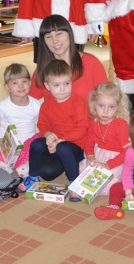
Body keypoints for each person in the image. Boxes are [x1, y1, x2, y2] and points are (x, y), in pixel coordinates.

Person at [25, 59, 91, 200]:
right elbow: (43, 125)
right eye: (57, 85)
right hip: (55, 145)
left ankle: (75, 183)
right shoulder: (46, 105)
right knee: (36, 146)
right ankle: (33, 177)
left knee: (63, 148)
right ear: (47, 86)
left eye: (67, 83)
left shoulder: (79, 103)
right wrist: (48, 134)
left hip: (75, 147)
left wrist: (61, 140)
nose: (63, 89)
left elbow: (82, 129)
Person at [29, 14, 107, 102]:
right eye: (48, 36)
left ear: (69, 34)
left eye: (59, 34)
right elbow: (30, 101)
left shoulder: (91, 63)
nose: (54, 40)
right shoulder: (43, 68)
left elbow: (107, 98)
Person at [0, 63, 40, 177]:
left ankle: (20, 169)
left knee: (26, 173)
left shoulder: (36, 105)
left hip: (28, 144)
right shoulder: (3, 106)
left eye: (24, 81)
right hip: (7, 144)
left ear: (30, 83)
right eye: (15, 83)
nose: (21, 86)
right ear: (7, 87)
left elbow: (44, 123)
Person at [84, 82, 131, 196]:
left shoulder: (120, 125)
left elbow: (126, 152)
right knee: (86, 180)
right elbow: (89, 143)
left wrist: (107, 165)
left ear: (118, 107)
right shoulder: (94, 122)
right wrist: (90, 156)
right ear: (94, 104)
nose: (105, 111)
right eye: (101, 106)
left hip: (116, 159)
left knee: (109, 186)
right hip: (99, 154)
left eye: (111, 107)